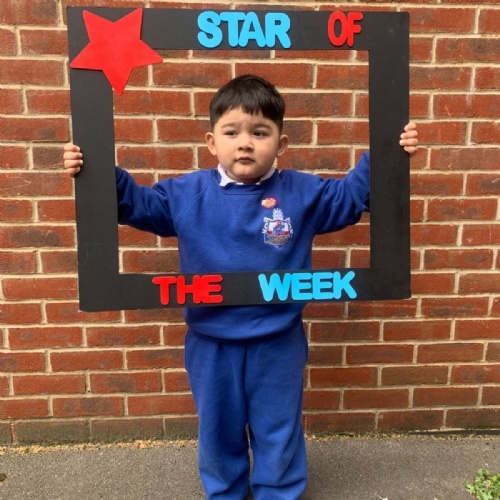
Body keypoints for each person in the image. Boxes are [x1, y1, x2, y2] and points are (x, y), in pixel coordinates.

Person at [63, 74, 418, 499]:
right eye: (231, 132)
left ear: (281, 144)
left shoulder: (303, 193)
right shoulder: (185, 195)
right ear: (212, 142)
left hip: (278, 342)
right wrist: (94, 169)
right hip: (211, 343)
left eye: (259, 133)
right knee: (218, 431)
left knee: (278, 429)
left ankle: (278, 492)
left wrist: (389, 152)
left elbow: (350, 196)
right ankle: (225, 493)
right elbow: (135, 203)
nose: (245, 143)